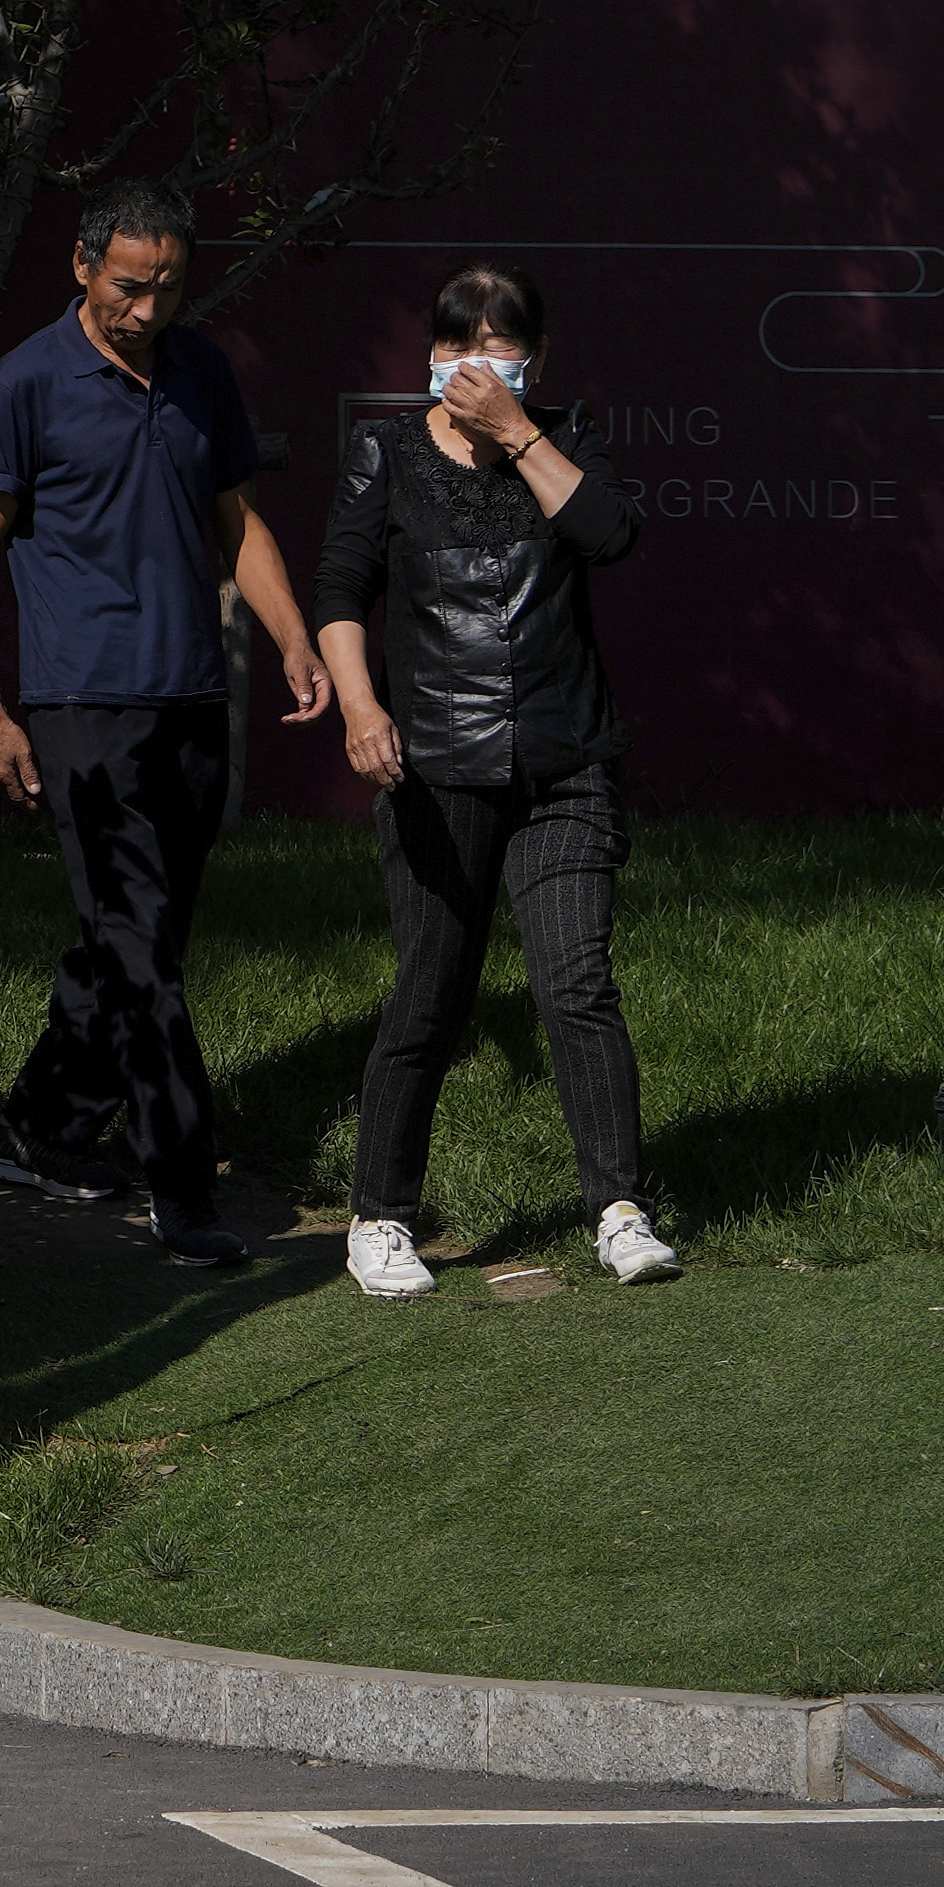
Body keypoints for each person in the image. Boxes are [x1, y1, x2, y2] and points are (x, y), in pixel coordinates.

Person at [0, 183, 329, 1267]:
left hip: (191, 698)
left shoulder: (200, 367)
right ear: (81, 266)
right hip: (79, 706)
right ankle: (183, 1185)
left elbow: (239, 522)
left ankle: (39, 1130)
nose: (145, 308)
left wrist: (293, 636)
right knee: (143, 952)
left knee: (134, 938)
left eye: (165, 287)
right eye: (127, 285)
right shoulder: (26, 383)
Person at [312, 263, 677, 1295]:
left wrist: (521, 432)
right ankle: (380, 1217)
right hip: (435, 768)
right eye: (453, 348)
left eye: (496, 349)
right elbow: (341, 585)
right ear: (427, 355)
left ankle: (619, 1208)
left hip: (564, 762)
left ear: (533, 359)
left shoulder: (566, 438)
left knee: (577, 985)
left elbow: (611, 533)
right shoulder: (384, 449)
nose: (472, 367)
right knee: (432, 990)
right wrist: (360, 704)